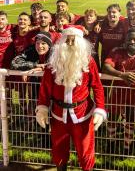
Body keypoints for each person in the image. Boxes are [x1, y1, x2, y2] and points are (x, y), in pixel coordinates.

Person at [35, 25, 107, 171]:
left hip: (82, 115)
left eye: (73, 41)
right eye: (67, 40)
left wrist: (100, 109)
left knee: (85, 151)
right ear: (62, 42)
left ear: (80, 43)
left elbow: (97, 86)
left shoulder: (88, 62)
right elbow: (45, 88)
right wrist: (42, 108)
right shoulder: (53, 62)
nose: (70, 44)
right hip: (58, 115)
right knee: (59, 149)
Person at [11, 31, 52, 130]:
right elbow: (14, 63)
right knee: (39, 112)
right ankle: (40, 135)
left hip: (52, 90)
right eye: (38, 43)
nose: (40, 46)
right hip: (36, 88)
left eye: (43, 43)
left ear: (49, 45)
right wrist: (34, 65)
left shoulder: (55, 51)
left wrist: (44, 68)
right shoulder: (31, 49)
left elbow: (59, 63)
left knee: (52, 115)